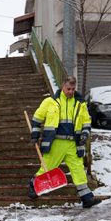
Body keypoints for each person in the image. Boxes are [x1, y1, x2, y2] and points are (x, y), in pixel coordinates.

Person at [29, 75, 101, 208]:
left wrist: (85, 134)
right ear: (62, 86)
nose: (71, 92)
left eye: (73, 89)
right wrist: (35, 134)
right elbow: (37, 119)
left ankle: (87, 198)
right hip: (55, 142)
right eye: (68, 89)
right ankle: (33, 185)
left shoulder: (80, 103)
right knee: (48, 166)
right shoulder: (50, 102)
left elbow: (86, 122)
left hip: (73, 143)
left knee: (78, 170)